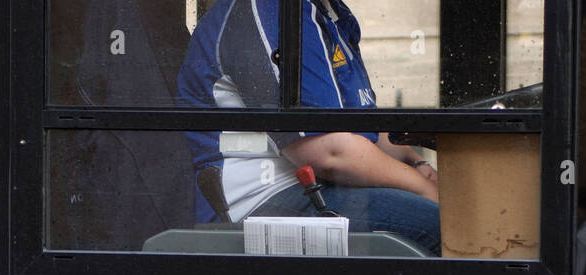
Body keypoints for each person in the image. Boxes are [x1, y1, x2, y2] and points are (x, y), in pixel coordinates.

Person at [176, 0, 441, 254]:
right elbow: (328, 154)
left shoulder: (330, 12)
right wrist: (421, 187)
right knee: (445, 225)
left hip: (311, 186)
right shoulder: (274, 11)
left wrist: (414, 162)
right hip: (262, 201)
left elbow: (360, 123)